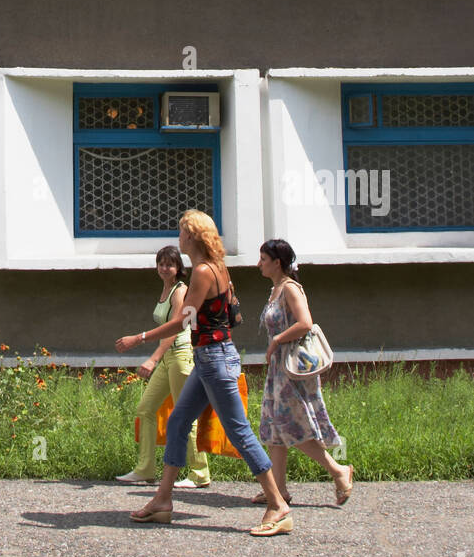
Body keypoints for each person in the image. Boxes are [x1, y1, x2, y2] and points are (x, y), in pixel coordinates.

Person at [116, 210, 292, 536]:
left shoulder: (201, 272)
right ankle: (163, 501)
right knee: (178, 422)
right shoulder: (218, 267)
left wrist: (139, 338)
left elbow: (184, 319)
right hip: (210, 357)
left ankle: (278, 505)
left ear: (192, 237)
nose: (178, 237)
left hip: (214, 360)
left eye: (182, 231)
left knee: (239, 432)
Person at [254, 239, 353, 508]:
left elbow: (305, 323)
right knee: (276, 427)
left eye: (263, 259)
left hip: (292, 368)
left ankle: (338, 470)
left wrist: (276, 341)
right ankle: (279, 490)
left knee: (290, 426)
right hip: (279, 368)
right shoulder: (274, 289)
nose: (259, 263)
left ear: (277, 262)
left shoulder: (290, 288)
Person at [116, 245, 211, 489]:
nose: (164, 268)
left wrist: (152, 358)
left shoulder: (181, 291)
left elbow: (177, 327)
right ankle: (145, 469)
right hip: (168, 357)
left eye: (169, 264)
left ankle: (200, 473)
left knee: (185, 415)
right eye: (161, 264)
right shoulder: (165, 289)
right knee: (146, 409)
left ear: (179, 268)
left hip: (180, 356)